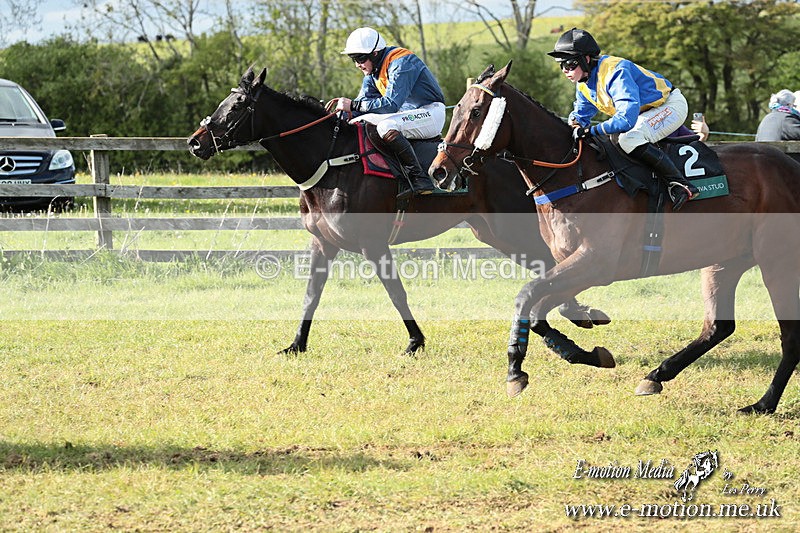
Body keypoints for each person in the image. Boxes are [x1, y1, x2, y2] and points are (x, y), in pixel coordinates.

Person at [548, 27, 698, 211]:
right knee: (615, 140)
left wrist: (590, 130)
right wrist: (575, 124)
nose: (565, 70)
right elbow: (580, 114)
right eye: (561, 65)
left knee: (629, 139)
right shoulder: (584, 84)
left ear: (585, 59)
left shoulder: (615, 71)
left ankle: (681, 184)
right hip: (646, 113)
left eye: (569, 64)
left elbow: (626, 120)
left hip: (669, 106)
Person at [333, 27, 445, 195]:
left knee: (386, 126)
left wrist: (354, 105)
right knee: (357, 122)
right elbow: (362, 105)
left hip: (430, 113)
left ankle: (419, 178)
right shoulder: (372, 73)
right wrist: (338, 117)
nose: (357, 64)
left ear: (375, 53)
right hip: (405, 115)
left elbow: (390, 104)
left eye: (360, 58)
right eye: (353, 59)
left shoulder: (402, 63)